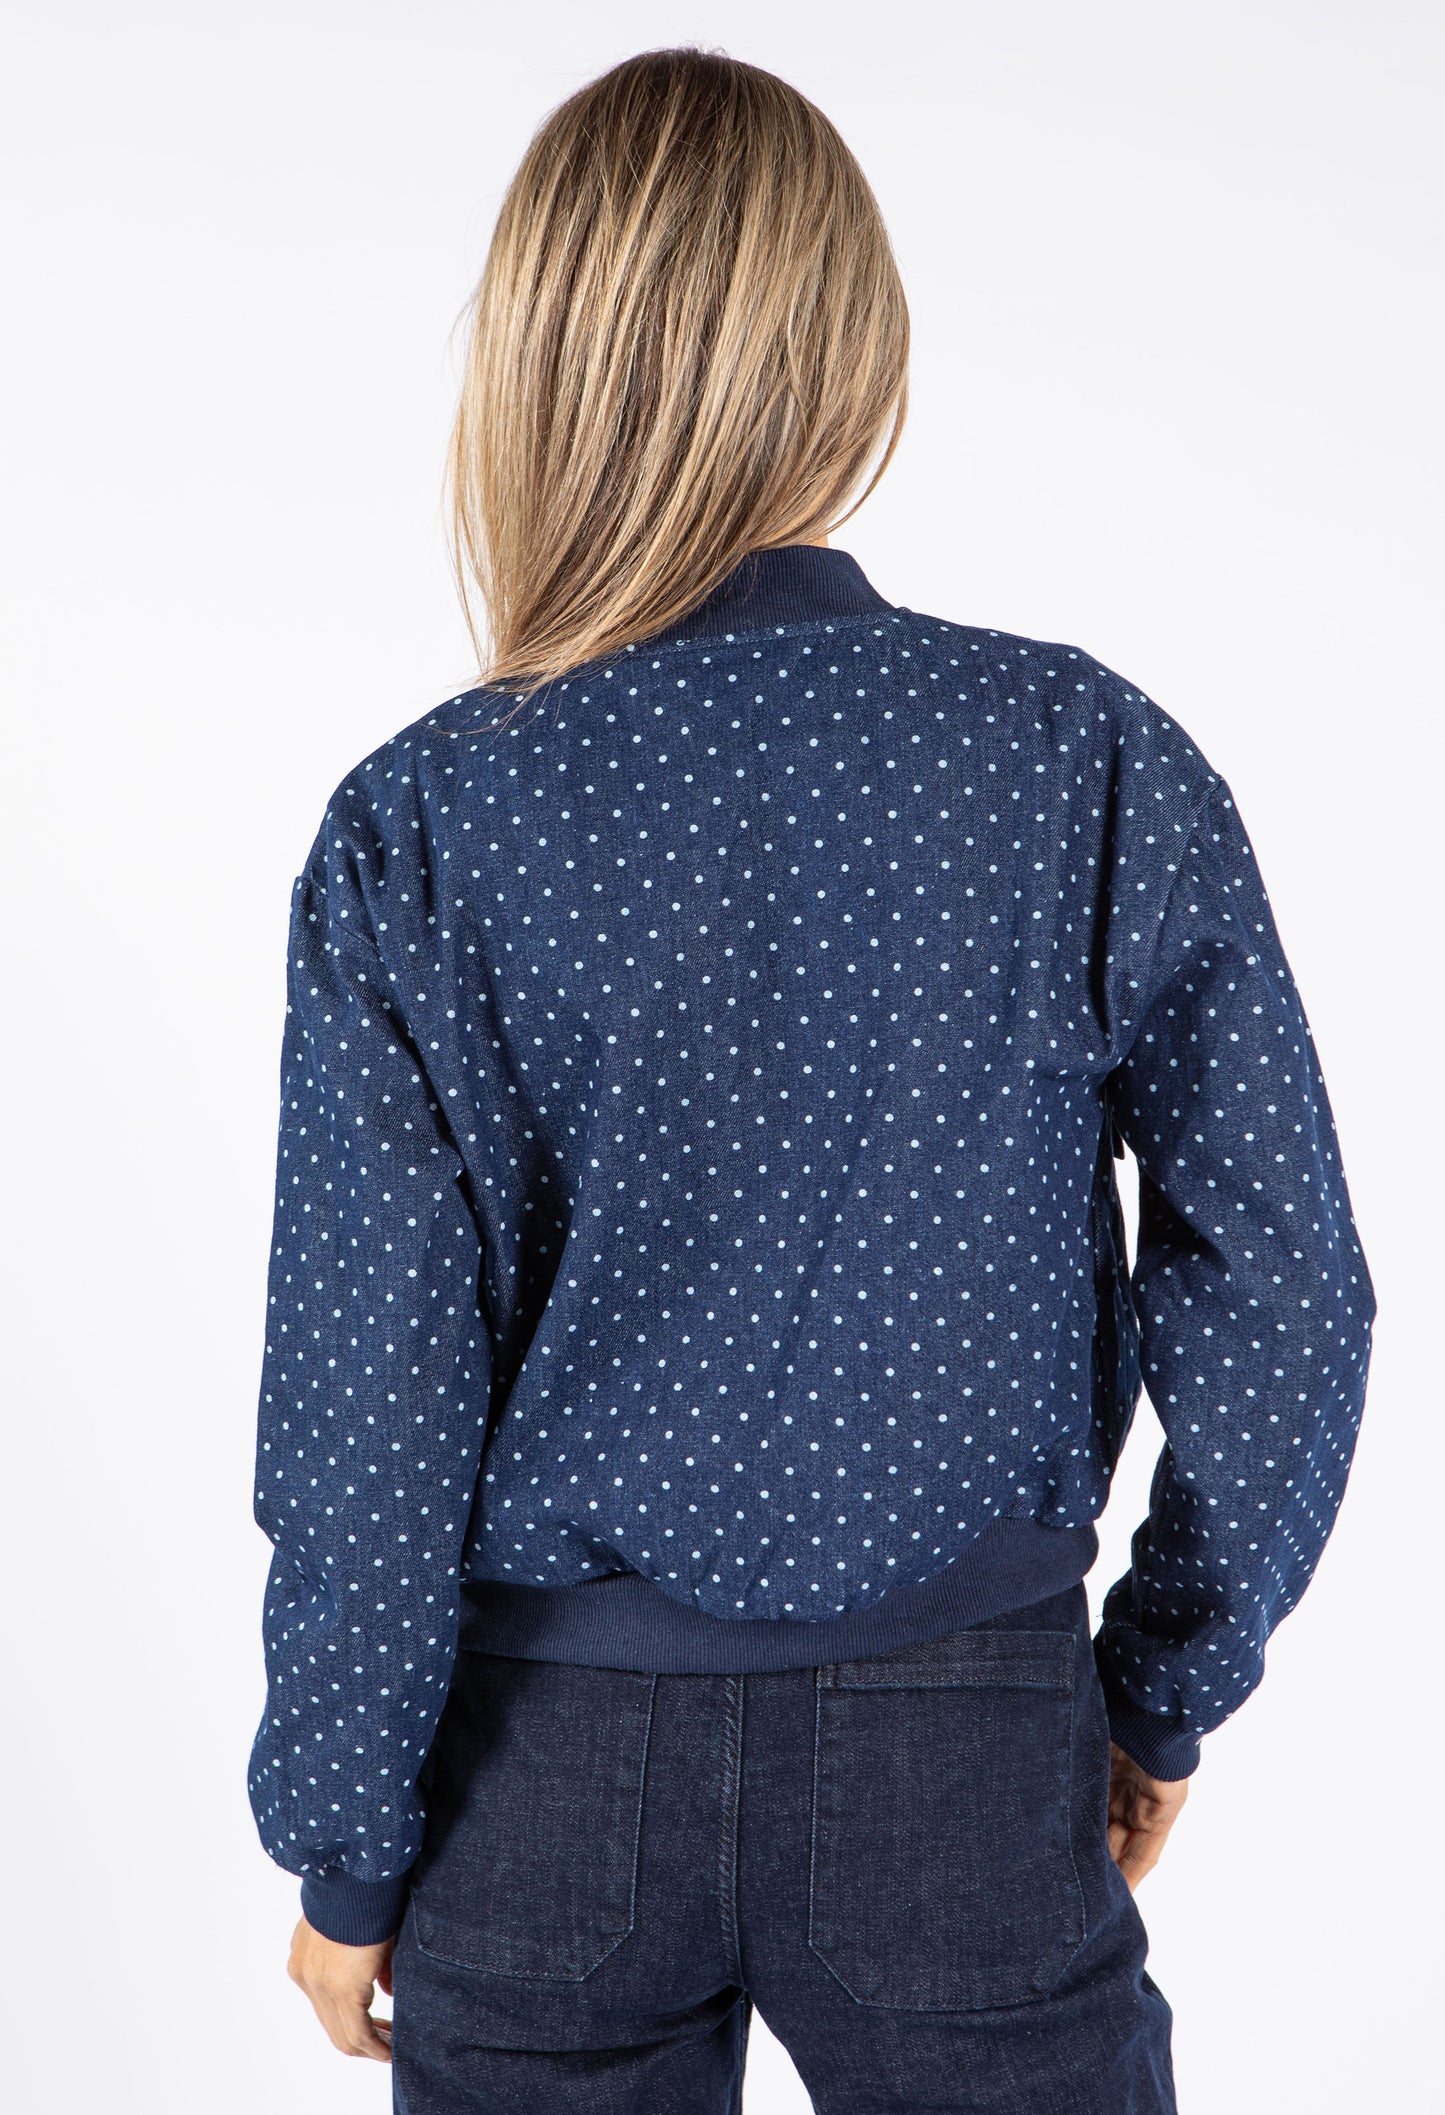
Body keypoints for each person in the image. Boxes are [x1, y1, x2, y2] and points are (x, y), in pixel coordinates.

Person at [248, 46, 1375, 2114]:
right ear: (858, 360)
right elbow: (1284, 1283)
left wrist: (346, 1839)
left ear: (532, 366)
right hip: (968, 1752)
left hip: (536, 1782)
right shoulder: (1077, 757)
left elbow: (369, 1398)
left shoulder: (422, 820)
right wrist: (1162, 1683)